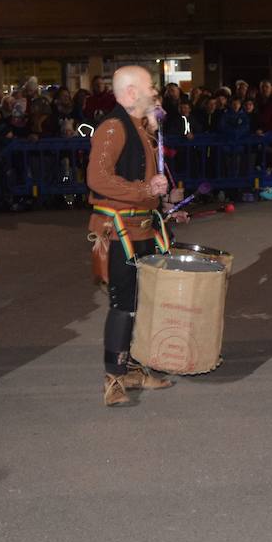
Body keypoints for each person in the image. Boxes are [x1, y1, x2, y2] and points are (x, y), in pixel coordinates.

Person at [86, 65, 176, 407]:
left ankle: (134, 369)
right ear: (129, 94)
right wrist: (143, 190)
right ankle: (113, 380)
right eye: (149, 87)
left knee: (140, 302)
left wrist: (162, 199)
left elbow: (147, 180)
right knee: (123, 305)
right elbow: (97, 179)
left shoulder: (141, 127)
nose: (155, 92)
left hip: (141, 225)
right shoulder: (113, 127)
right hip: (118, 228)